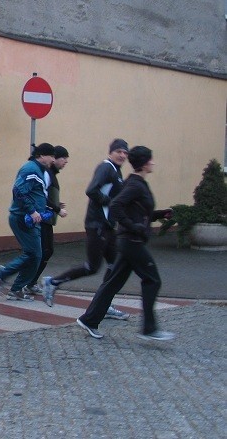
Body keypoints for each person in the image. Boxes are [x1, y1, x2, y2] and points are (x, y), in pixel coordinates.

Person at [76, 146, 174, 341]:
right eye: (151, 160)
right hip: (132, 241)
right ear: (145, 163)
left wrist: (160, 214)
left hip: (128, 240)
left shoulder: (136, 183)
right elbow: (115, 205)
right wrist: (132, 226)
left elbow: (138, 211)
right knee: (152, 280)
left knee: (113, 283)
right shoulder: (135, 185)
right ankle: (149, 328)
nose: (153, 163)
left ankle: (89, 319)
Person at [43, 139, 131, 321]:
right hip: (97, 225)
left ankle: (104, 305)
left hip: (107, 226)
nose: (123, 155)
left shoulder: (116, 170)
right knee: (92, 267)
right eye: (119, 151)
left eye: (125, 153)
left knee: (115, 266)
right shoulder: (106, 168)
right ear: (111, 152)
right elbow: (91, 190)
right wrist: (112, 203)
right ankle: (53, 282)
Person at [0, 143, 55, 301]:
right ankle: (2, 275)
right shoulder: (31, 169)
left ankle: (15, 288)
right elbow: (18, 191)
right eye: (51, 156)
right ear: (41, 155)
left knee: (35, 255)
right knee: (34, 254)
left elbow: (35, 194)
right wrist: (32, 211)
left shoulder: (39, 170)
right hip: (22, 218)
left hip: (31, 220)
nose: (53, 159)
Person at [27, 145, 69, 295]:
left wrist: (56, 204)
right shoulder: (47, 173)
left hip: (46, 218)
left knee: (43, 252)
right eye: (63, 158)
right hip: (42, 219)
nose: (66, 162)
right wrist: (57, 209)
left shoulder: (51, 174)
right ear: (54, 158)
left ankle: (29, 281)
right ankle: (27, 282)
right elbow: (41, 196)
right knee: (43, 252)